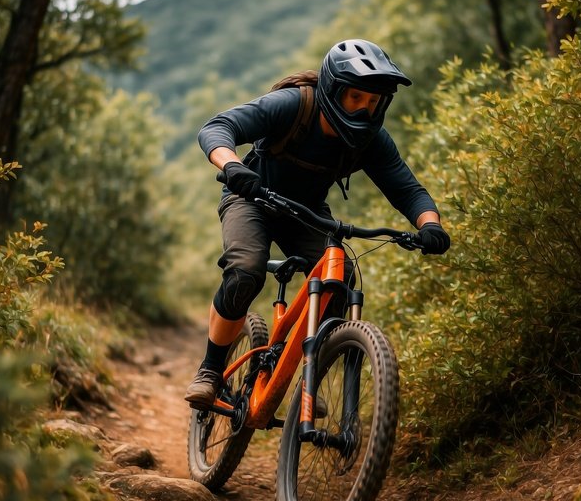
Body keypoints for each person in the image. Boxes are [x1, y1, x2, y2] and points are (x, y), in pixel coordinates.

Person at [185, 39, 450, 408]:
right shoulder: (294, 105)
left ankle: (308, 376)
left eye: (373, 102)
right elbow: (217, 127)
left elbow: (406, 188)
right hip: (250, 197)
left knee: (339, 278)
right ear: (332, 90)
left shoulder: (371, 141)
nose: (364, 109)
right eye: (356, 97)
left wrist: (431, 225)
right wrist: (233, 166)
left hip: (304, 212)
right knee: (246, 270)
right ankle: (211, 370)